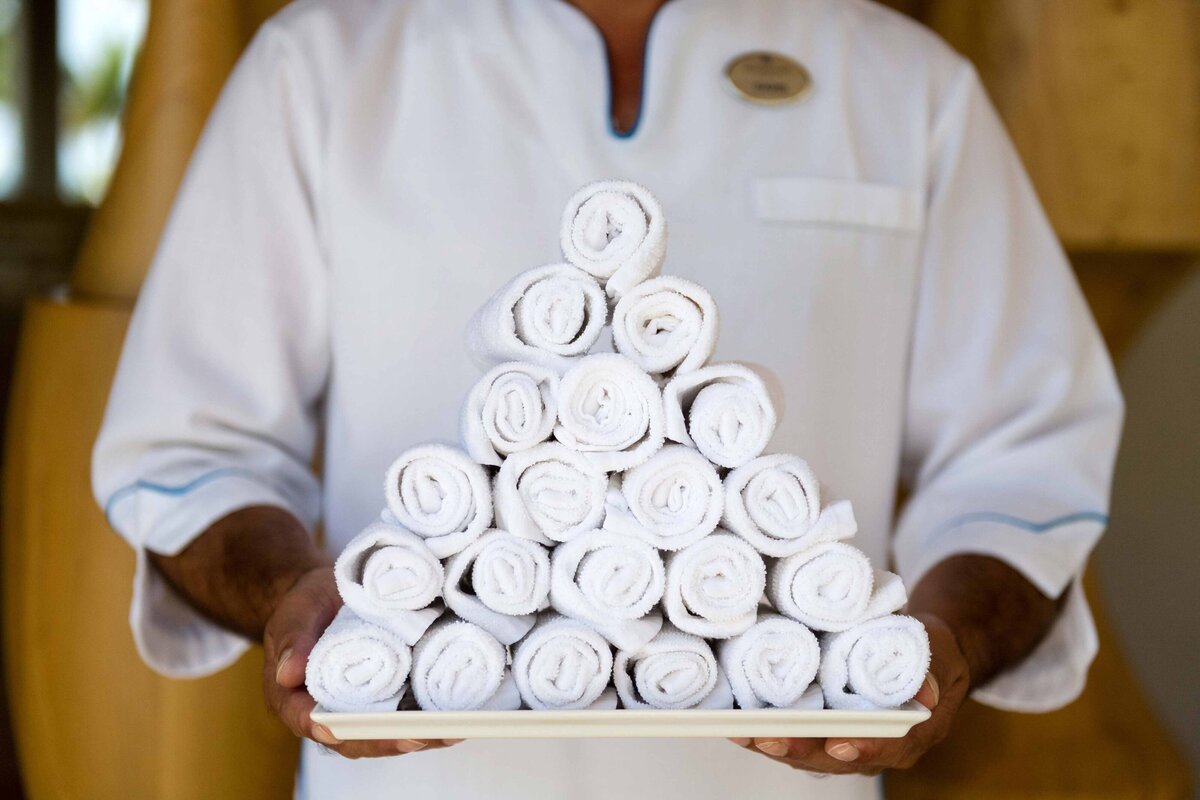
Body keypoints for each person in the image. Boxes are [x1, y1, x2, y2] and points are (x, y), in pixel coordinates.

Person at [91, 0, 1123, 797]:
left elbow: (1027, 462)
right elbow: (189, 451)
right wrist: (297, 604)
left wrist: (927, 648)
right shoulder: (321, 68)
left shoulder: (903, 87)